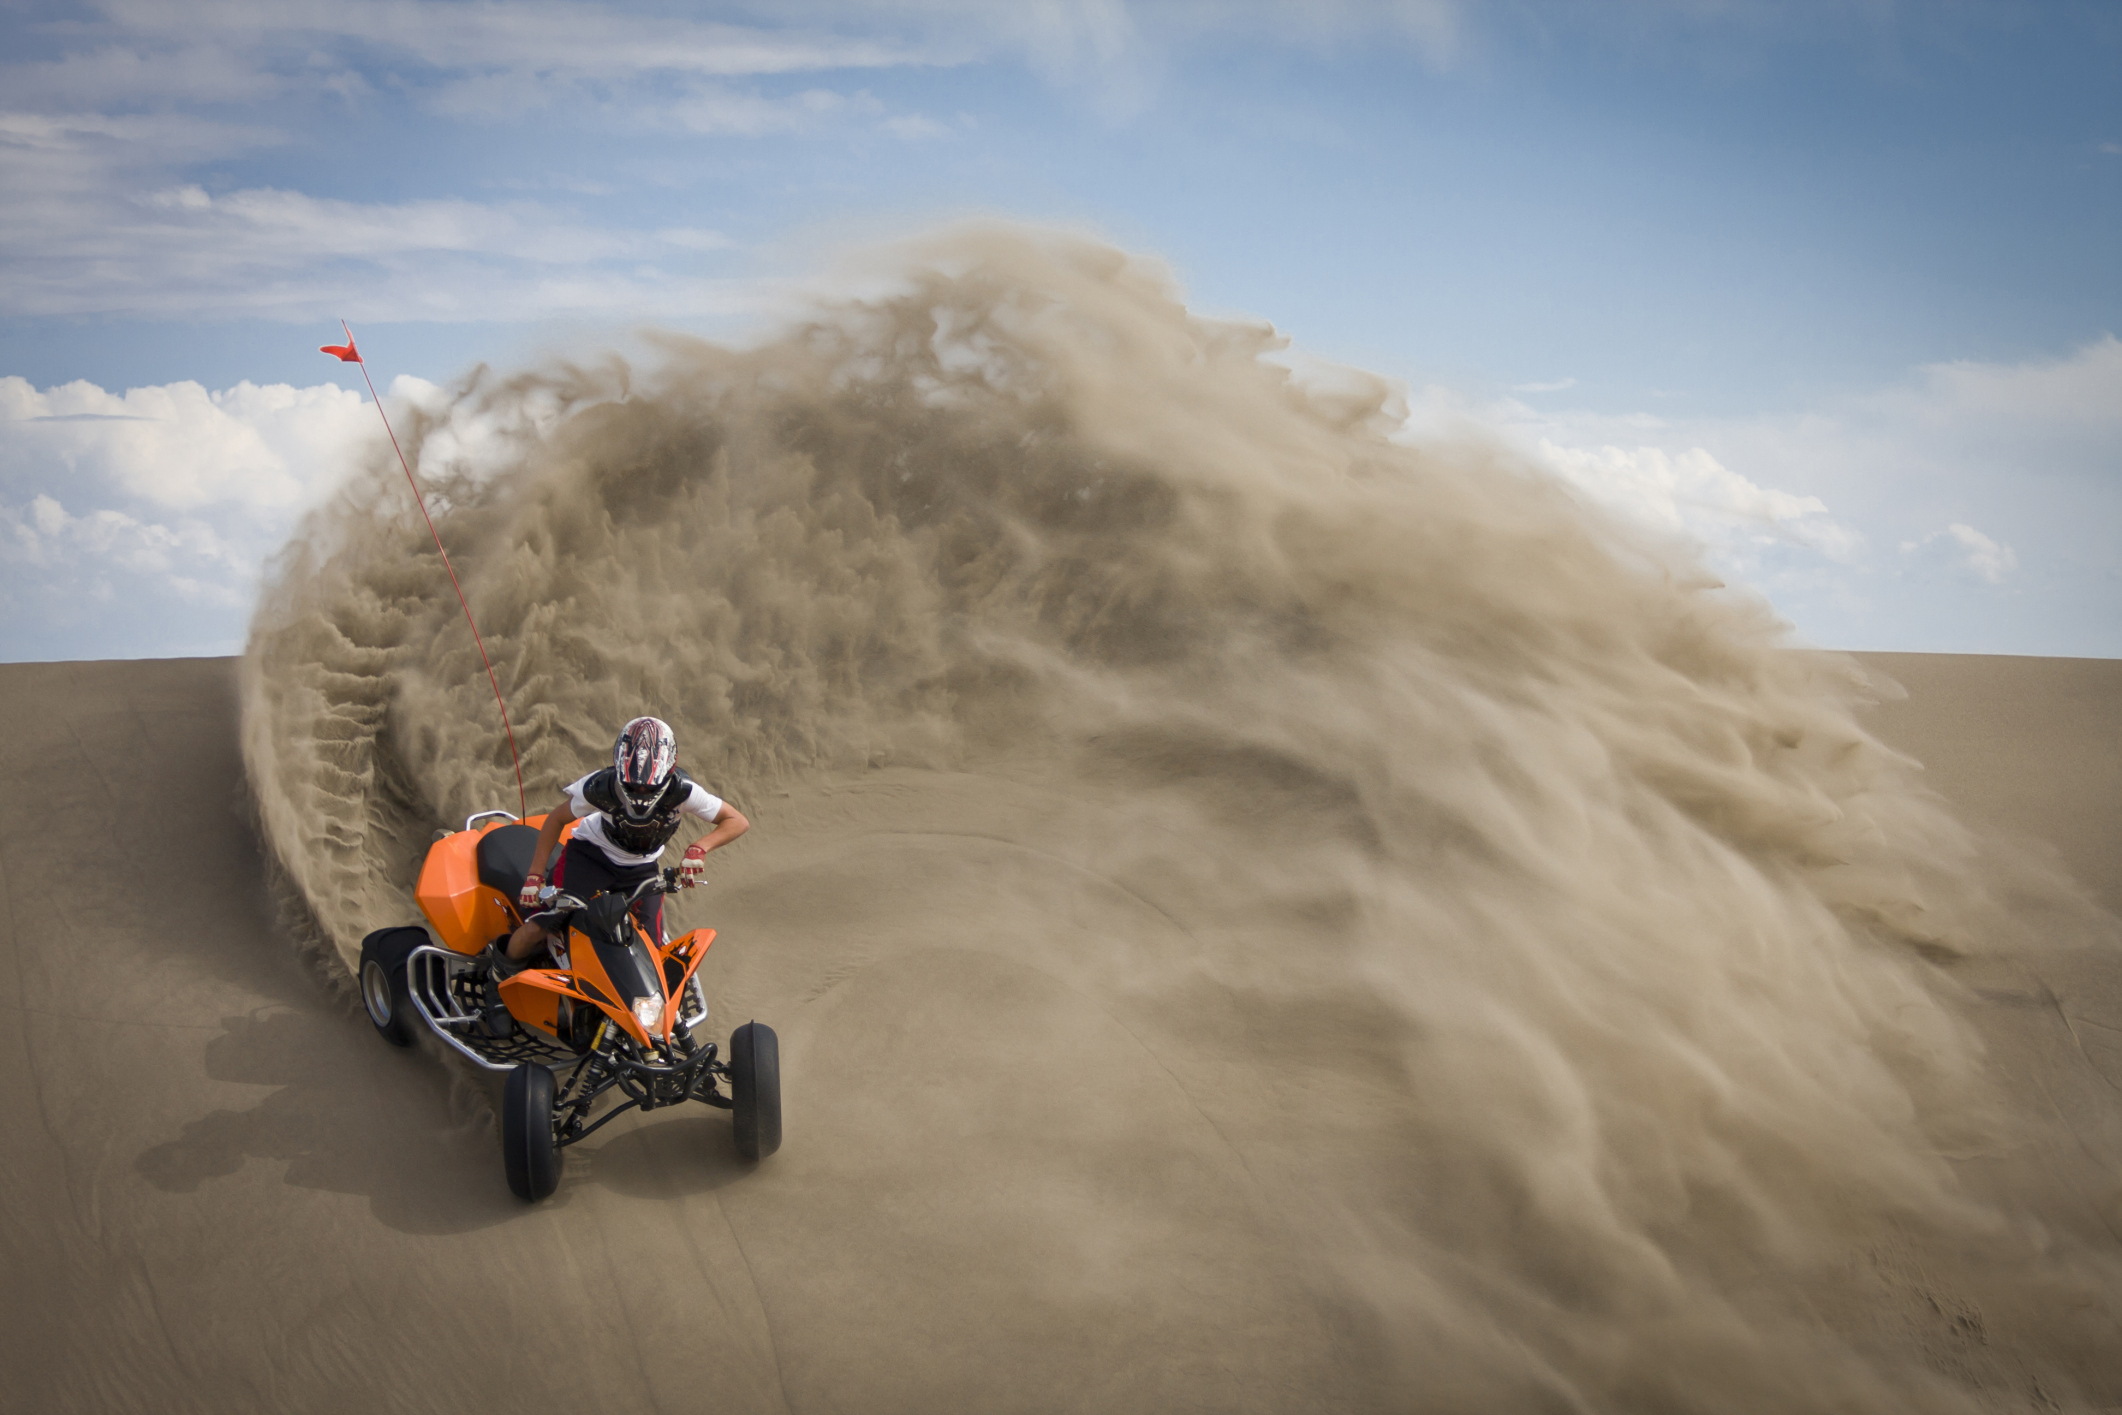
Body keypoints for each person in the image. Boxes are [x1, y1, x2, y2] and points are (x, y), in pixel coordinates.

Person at [489, 716, 749, 974]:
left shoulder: (684, 792)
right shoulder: (600, 787)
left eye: (648, 789)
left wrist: (699, 848)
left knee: (652, 951)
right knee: (541, 928)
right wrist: (534, 876)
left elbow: (737, 820)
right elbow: (556, 819)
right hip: (590, 859)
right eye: (632, 787)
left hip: (642, 870)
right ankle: (498, 979)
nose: (639, 794)